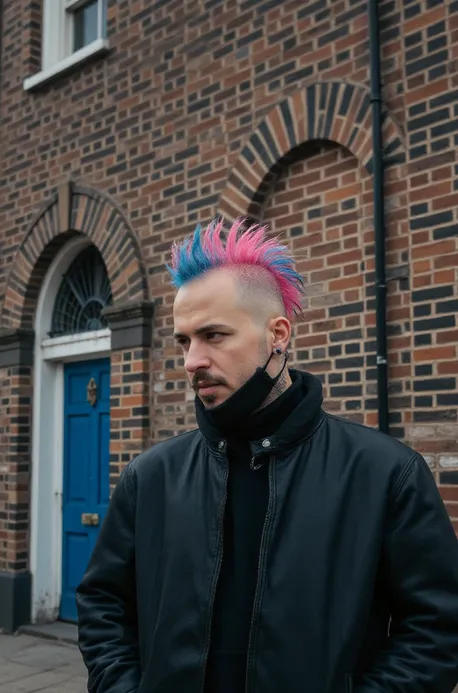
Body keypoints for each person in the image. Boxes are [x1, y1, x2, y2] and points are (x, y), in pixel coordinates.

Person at [77, 218, 458, 693]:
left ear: (278, 334)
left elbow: (436, 630)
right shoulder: (150, 476)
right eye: (184, 340)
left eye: (213, 335)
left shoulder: (384, 473)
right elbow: (103, 606)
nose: (192, 360)